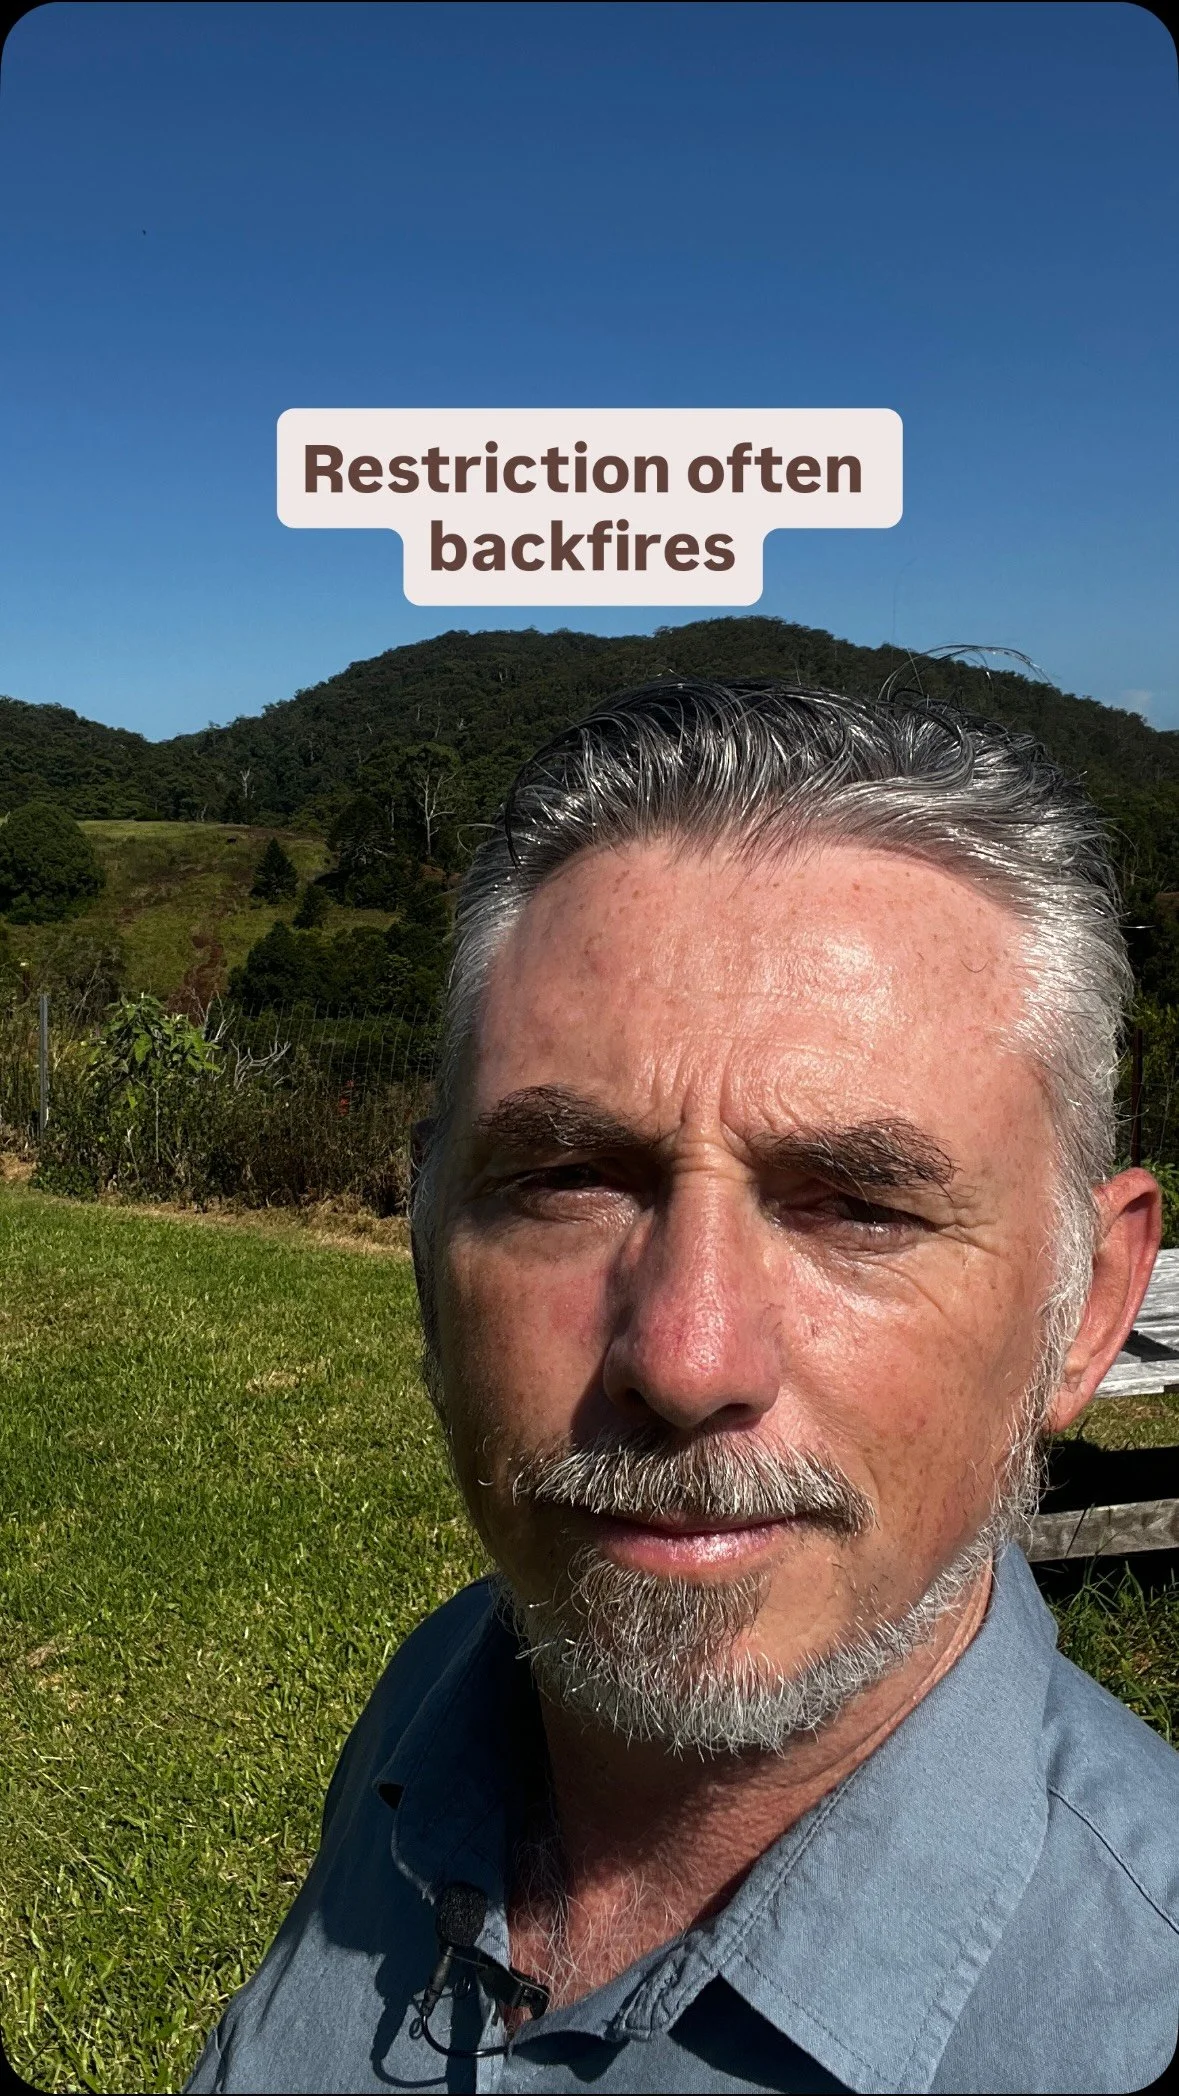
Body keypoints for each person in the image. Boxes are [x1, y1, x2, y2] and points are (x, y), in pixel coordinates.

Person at [187, 681, 1179, 2095]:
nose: (685, 1357)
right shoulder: (443, 1697)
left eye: (857, 1206)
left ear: (1082, 1311)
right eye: (569, 1178)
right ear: (425, 1246)